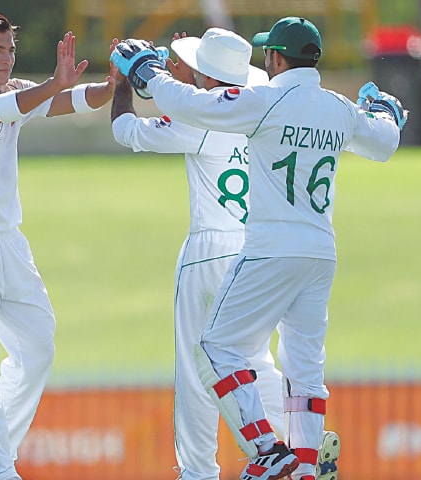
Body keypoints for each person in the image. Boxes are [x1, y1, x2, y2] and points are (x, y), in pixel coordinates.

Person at [112, 16, 404, 480]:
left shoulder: (263, 100)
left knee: (214, 348)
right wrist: (386, 110)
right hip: (321, 252)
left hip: (270, 246)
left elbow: (188, 103)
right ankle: (304, 468)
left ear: (275, 58)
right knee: (303, 370)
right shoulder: (338, 108)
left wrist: (145, 70)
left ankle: (267, 452)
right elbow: (386, 142)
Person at [0, 11, 114, 480]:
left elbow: (67, 101)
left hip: (9, 241)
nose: (7, 59)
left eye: (10, 50)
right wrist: (51, 86)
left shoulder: (15, 93)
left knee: (37, 347)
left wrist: (111, 88)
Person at [110, 28, 287, 480]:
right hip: (258, 251)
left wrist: (123, 86)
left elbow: (126, 131)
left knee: (196, 370)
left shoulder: (202, 120)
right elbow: (191, 95)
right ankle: (289, 448)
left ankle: (198, 471)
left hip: (210, 251)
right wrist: (185, 71)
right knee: (256, 357)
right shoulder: (261, 109)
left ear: (205, 76)